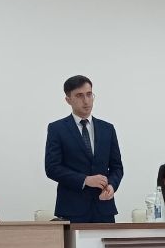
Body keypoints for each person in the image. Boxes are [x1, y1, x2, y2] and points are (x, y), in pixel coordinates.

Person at [45, 75, 124, 223]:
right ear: (68, 100)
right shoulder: (57, 129)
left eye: (89, 94)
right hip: (72, 209)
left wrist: (112, 185)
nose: (86, 101)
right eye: (79, 96)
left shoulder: (107, 129)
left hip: (104, 209)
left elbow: (117, 167)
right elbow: (52, 168)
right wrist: (85, 180)